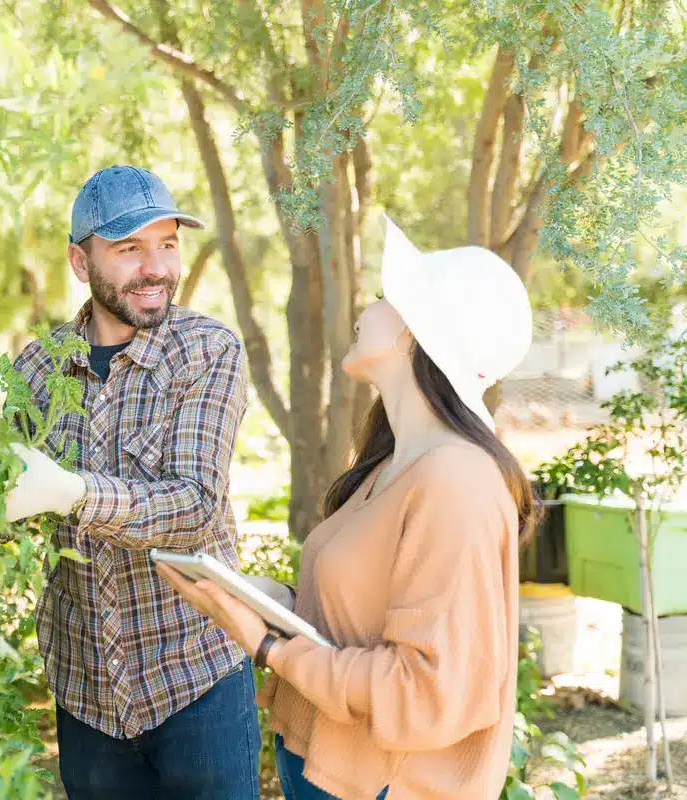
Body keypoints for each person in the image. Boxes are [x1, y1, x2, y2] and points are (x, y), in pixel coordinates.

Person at [159, 217, 538, 800]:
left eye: (387, 297)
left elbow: (423, 692)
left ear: (414, 333)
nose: (370, 303)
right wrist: (263, 597)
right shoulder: (393, 465)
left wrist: (267, 646)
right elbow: (352, 620)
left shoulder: (457, 482)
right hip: (330, 768)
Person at [3, 165, 260, 799]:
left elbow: (196, 505)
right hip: (85, 692)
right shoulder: (36, 369)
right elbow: (2, 505)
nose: (156, 267)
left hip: (195, 681)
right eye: (129, 249)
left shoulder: (206, 352)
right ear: (79, 260)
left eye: (167, 244)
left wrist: (74, 493)